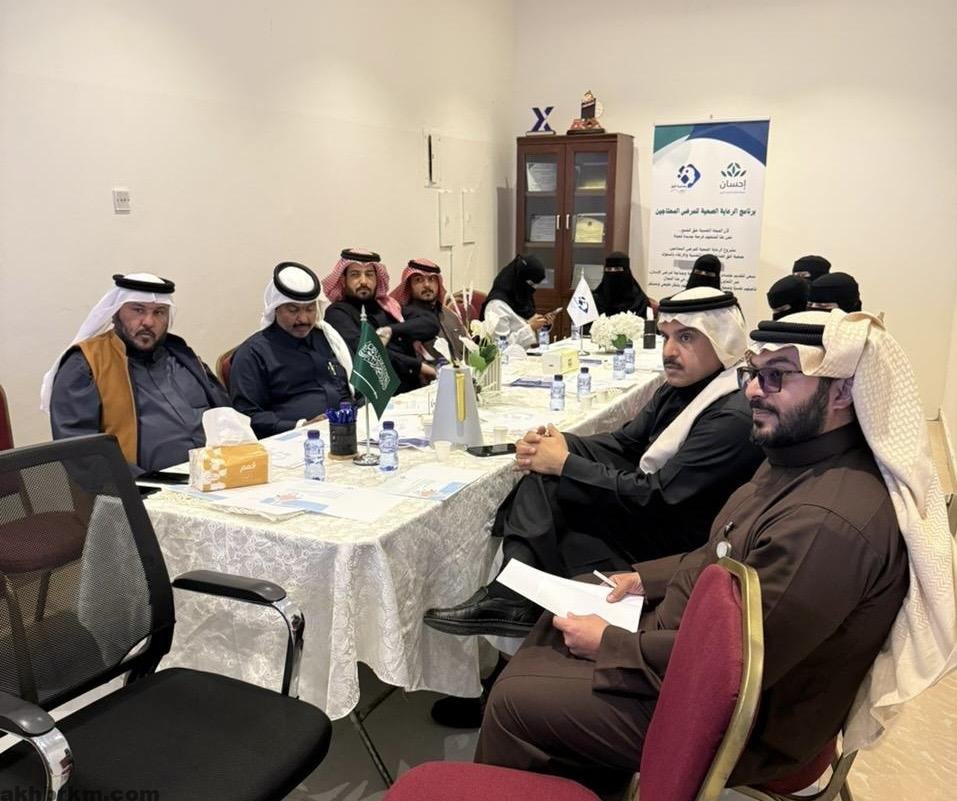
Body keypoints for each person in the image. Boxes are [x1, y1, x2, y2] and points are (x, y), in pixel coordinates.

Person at [475, 309, 957, 796]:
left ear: (842, 391)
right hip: (691, 645)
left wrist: (612, 644)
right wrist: (643, 579)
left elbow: (740, 665)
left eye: (777, 376)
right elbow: (721, 552)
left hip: (741, 722)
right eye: (753, 374)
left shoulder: (827, 524)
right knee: (569, 605)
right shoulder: (798, 456)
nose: (754, 391)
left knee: (514, 700)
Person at [424, 287, 764, 638]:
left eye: (686, 338)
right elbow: (625, 442)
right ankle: (511, 597)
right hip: (652, 513)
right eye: (666, 337)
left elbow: (658, 496)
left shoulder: (731, 415)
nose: (669, 351)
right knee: (545, 478)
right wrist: (559, 444)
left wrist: (565, 463)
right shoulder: (686, 385)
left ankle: (514, 600)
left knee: (553, 497)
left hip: (671, 545)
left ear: (723, 339)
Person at [42, 272, 228, 474]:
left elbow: (226, 413)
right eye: (138, 310)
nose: (148, 322)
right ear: (116, 312)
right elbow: (80, 451)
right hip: (138, 487)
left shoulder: (181, 355)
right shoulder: (85, 364)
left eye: (159, 312)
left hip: (218, 475)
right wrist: (145, 483)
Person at [229, 262, 354, 439]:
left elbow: (356, 385)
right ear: (276, 309)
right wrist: (300, 426)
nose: (304, 319)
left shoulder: (328, 338)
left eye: (310, 309)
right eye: (293, 310)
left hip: (348, 430)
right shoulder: (252, 354)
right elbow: (247, 416)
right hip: (295, 440)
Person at [322, 249, 439, 394]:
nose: (363, 281)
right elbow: (366, 352)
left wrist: (391, 330)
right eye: (355, 275)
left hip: (413, 389)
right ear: (343, 280)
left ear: (377, 279)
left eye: (369, 274)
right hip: (376, 396)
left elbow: (430, 323)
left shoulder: (388, 306)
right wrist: (418, 366)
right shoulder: (338, 313)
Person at [390, 258, 468, 363]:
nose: (426, 284)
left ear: (438, 283)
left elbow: (468, 353)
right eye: (419, 280)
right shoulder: (403, 320)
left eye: (431, 279)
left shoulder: (451, 316)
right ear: (409, 286)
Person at [479, 254, 552, 349]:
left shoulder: (521, 297)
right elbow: (500, 347)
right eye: (531, 284)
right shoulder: (497, 306)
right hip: (508, 357)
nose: (533, 289)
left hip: (527, 353)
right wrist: (530, 328)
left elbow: (529, 331)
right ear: (520, 279)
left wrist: (543, 324)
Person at [592, 251, 650, 318]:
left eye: (617, 269)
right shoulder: (595, 300)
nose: (612, 272)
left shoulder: (640, 301)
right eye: (609, 269)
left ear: (626, 271)